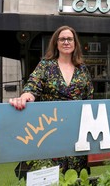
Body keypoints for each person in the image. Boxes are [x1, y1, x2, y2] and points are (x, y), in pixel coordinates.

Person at [9, 25, 94, 178]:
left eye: (70, 39)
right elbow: (33, 85)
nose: (66, 42)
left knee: (76, 175)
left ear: (75, 43)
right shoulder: (46, 66)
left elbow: (90, 97)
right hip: (50, 130)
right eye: (62, 39)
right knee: (52, 174)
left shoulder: (82, 69)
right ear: (56, 43)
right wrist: (27, 95)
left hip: (77, 131)